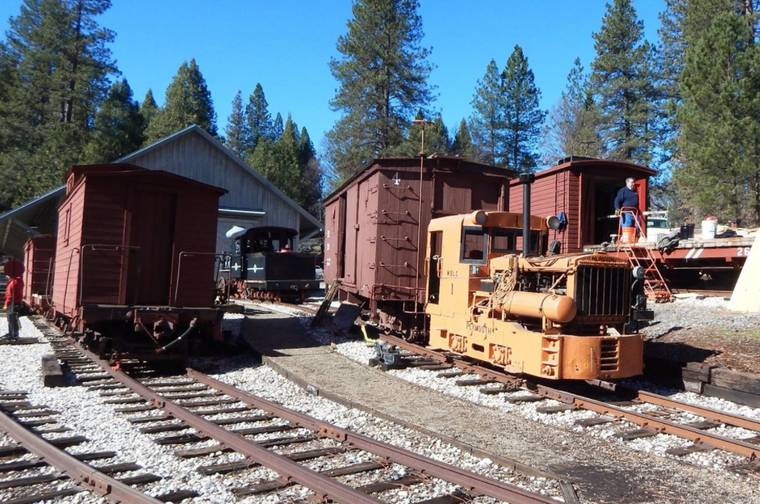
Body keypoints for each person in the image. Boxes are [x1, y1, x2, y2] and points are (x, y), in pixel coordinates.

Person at [4, 272, 23, 341]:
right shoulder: (18, 281)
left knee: (11, 320)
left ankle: (13, 335)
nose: (6, 277)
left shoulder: (13, 283)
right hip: (16, 303)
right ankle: (13, 334)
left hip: (12, 304)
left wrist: (6, 304)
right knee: (14, 320)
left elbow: (10, 295)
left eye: (7, 276)